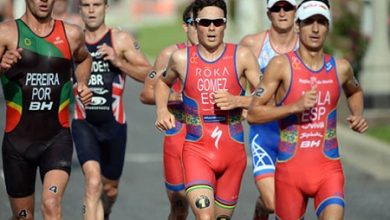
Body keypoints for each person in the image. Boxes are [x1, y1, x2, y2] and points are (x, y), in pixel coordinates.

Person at [247, 0, 368, 219]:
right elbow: (254, 114)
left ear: (328, 27)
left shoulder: (340, 68)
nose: (315, 29)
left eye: (321, 22)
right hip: (290, 172)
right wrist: (293, 107)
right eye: (309, 22)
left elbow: (355, 90)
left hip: (328, 169)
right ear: (297, 26)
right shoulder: (280, 65)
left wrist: (357, 115)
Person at [155, 0, 260, 219]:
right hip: (196, 151)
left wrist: (238, 101)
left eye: (217, 22)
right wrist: (162, 111)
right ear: (196, 25)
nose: (211, 28)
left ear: (225, 24)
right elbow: (162, 83)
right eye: (205, 22)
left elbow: (268, 97)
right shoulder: (181, 59)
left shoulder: (242, 56)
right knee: (204, 217)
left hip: (233, 154)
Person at [0, 0, 92, 219]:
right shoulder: (6, 32)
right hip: (17, 143)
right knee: (24, 216)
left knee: (51, 204)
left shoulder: (71, 34)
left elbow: (84, 58)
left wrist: (82, 83)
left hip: (56, 138)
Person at [73, 0, 152, 219]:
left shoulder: (120, 39)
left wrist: (119, 61)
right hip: (83, 123)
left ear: (106, 8)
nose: (91, 10)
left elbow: (152, 74)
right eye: (86, 5)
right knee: (93, 182)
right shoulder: (72, 39)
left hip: (114, 126)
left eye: (96, 4)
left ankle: (105, 212)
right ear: (79, 8)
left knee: (109, 189)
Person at [239, 0, 298, 219]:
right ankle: (261, 209)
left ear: (296, 11)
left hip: (296, 134)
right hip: (264, 133)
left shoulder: (307, 45)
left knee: (291, 207)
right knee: (273, 203)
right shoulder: (252, 44)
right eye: (276, 8)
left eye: (287, 8)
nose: (282, 13)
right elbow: (236, 85)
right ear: (268, 13)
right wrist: (244, 104)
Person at [139, 2, 198, 219]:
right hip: (179, 133)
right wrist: (175, 98)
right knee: (180, 206)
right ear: (185, 26)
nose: (201, 28)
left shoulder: (221, 57)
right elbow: (146, 93)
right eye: (196, 23)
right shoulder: (169, 55)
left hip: (212, 136)